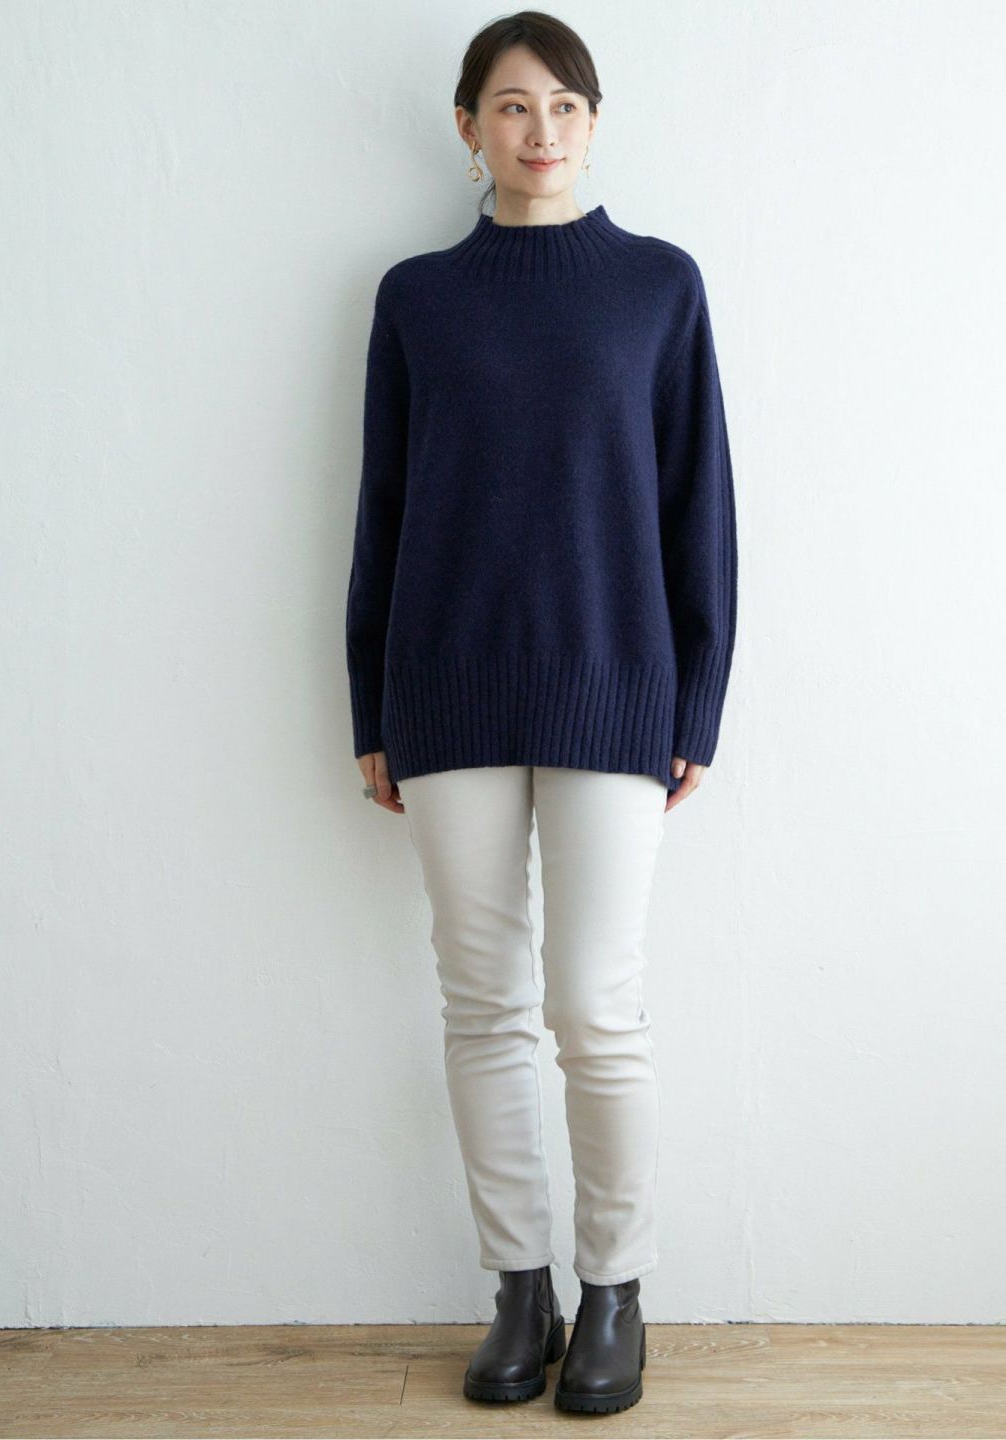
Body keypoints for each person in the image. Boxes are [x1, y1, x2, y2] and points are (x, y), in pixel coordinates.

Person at [345, 10, 738, 1416]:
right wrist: (370, 703)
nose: (542, 129)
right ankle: (520, 1289)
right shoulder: (417, 299)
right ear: (470, 129)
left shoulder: (658, 287)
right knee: (482, 1003)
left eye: (566, 104)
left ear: (594, 122)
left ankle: (614, 1290)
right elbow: (383, 510)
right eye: (513, 105)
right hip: (446, 684)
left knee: (594, 1006)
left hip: (616, 683)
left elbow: (700, 507)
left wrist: (699, 695)